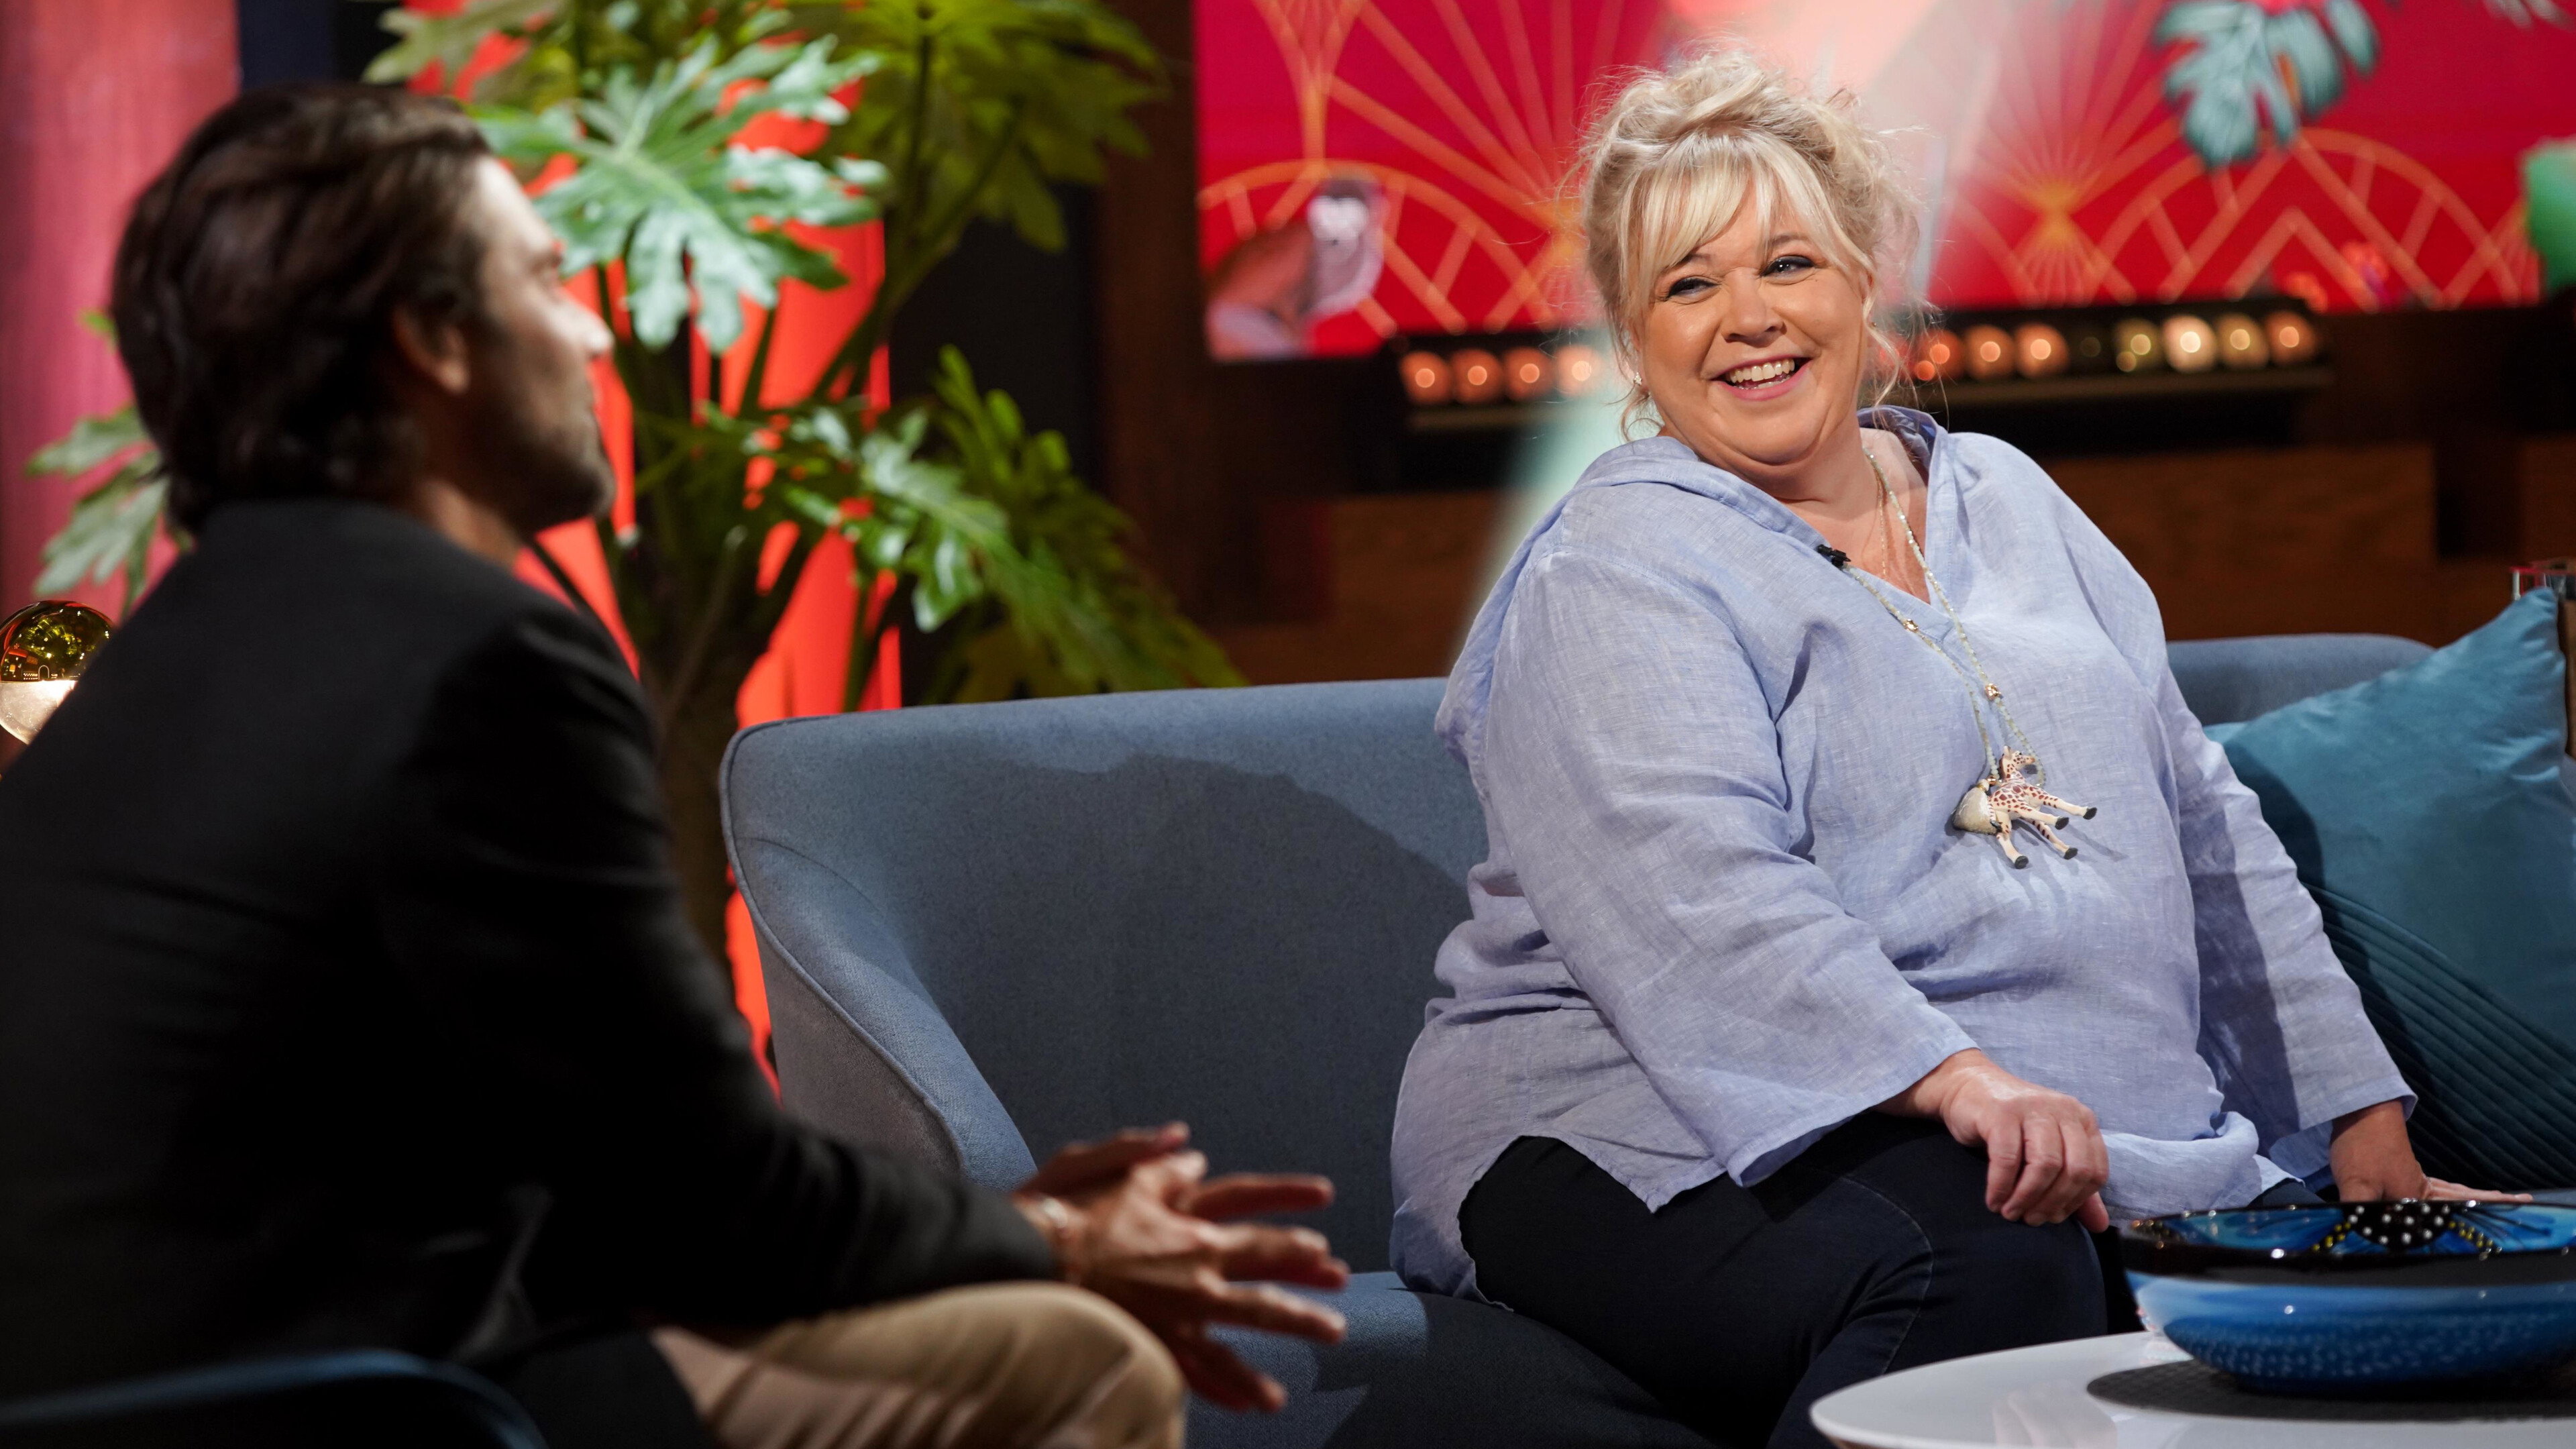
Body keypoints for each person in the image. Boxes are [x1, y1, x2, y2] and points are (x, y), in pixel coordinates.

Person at [0, 85, 1348, 1449]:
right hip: (343, 1411)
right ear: (433, 341)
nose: (593, 331)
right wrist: (1059, 1242)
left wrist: (996, 1232)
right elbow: (712, 1204)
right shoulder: (480, 661)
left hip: (125, 1404)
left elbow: (610, 1191)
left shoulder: (155, 670)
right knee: (1074, 1362)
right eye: (546, 281)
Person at [1385, 50, 2516, 1449]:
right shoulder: (1615, 566)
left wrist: (2361, 1125)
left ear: (1865, 285)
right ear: (1631, 343)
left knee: (2388, 1305)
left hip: (2027, 1117)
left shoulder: (2014, 498)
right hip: (1628, 1115)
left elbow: (2203, 825)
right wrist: (1959, 1080)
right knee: (1985, 1261)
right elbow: (1699, 898)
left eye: (1788, 263)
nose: (1748, 317)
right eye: (1688, 285)